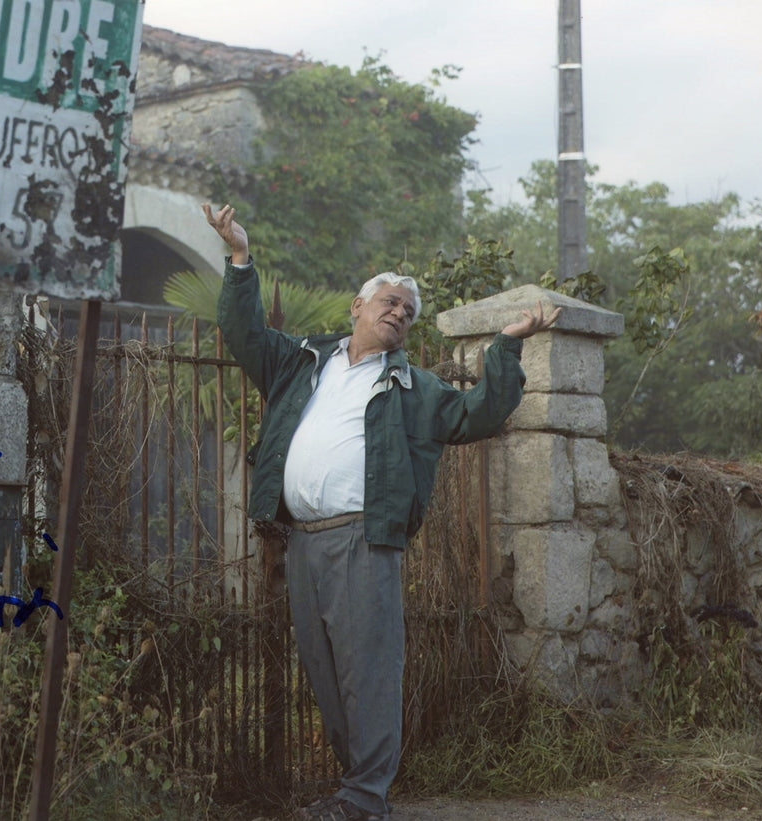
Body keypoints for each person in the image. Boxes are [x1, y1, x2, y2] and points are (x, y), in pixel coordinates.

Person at [204, 203, 560, 821]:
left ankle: (366, 798)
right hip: (302, 541)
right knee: (323, 671)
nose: (399, 312)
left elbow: (478, 414)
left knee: (368, 672)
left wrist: (505, 348)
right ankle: (355, 791)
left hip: (364, 542)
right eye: (389, 301)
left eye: (407, 311)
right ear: (357, 308)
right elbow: (244, 333)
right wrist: (239, 257)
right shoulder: (301, 363)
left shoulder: (414, 388)